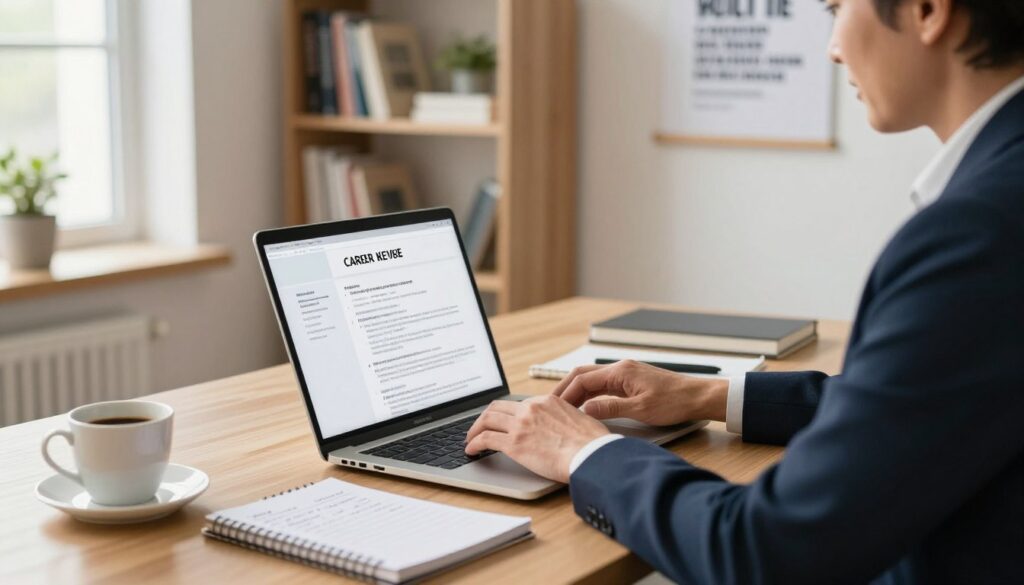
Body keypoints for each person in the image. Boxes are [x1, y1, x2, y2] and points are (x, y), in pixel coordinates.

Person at [463, 0, 1024, 582]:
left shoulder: (978, 233)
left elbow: (765, 550)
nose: (832, 46)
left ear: (928, 11)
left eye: (836, 8)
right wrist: (709, 396)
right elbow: (921, 401)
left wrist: (583, 453)